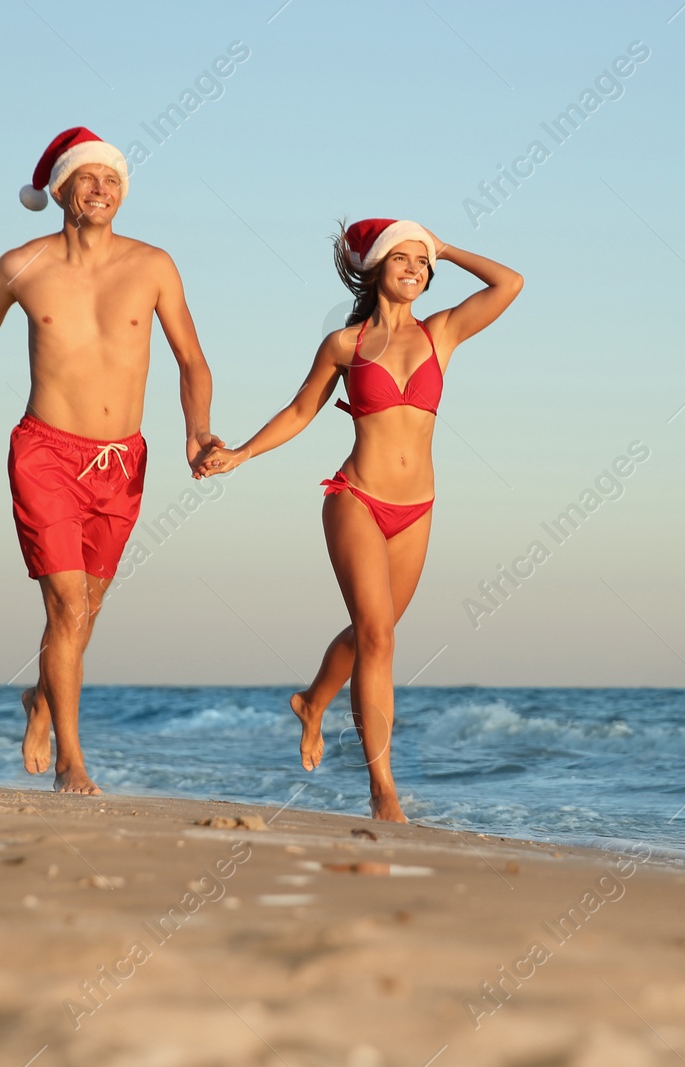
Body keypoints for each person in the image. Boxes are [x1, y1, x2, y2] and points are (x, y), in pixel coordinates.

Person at [0, 127, 221, 795]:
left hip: (124, 461)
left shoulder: (153, 266)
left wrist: (196, 430)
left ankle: (40, 699)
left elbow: (192, 360)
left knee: (83, 611)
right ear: (59, 189)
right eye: (87, 178)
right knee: (64, 603)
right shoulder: (23, 264)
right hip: (47, 453)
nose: (101, 188)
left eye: (112, 180)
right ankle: (72, 760)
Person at [198, 219, 522, 821]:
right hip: (356, 498)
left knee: (375, 633)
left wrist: (444, 246)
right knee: (378, 636)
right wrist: (241, 453)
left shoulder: (441, 334)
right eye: (402, 258)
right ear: (374, 267)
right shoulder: (343, 346)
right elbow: (301, 411)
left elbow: (509, 283)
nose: (415, 270)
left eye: (422, 264)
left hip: (417, 508)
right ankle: (383, 791)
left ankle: (312, 700)